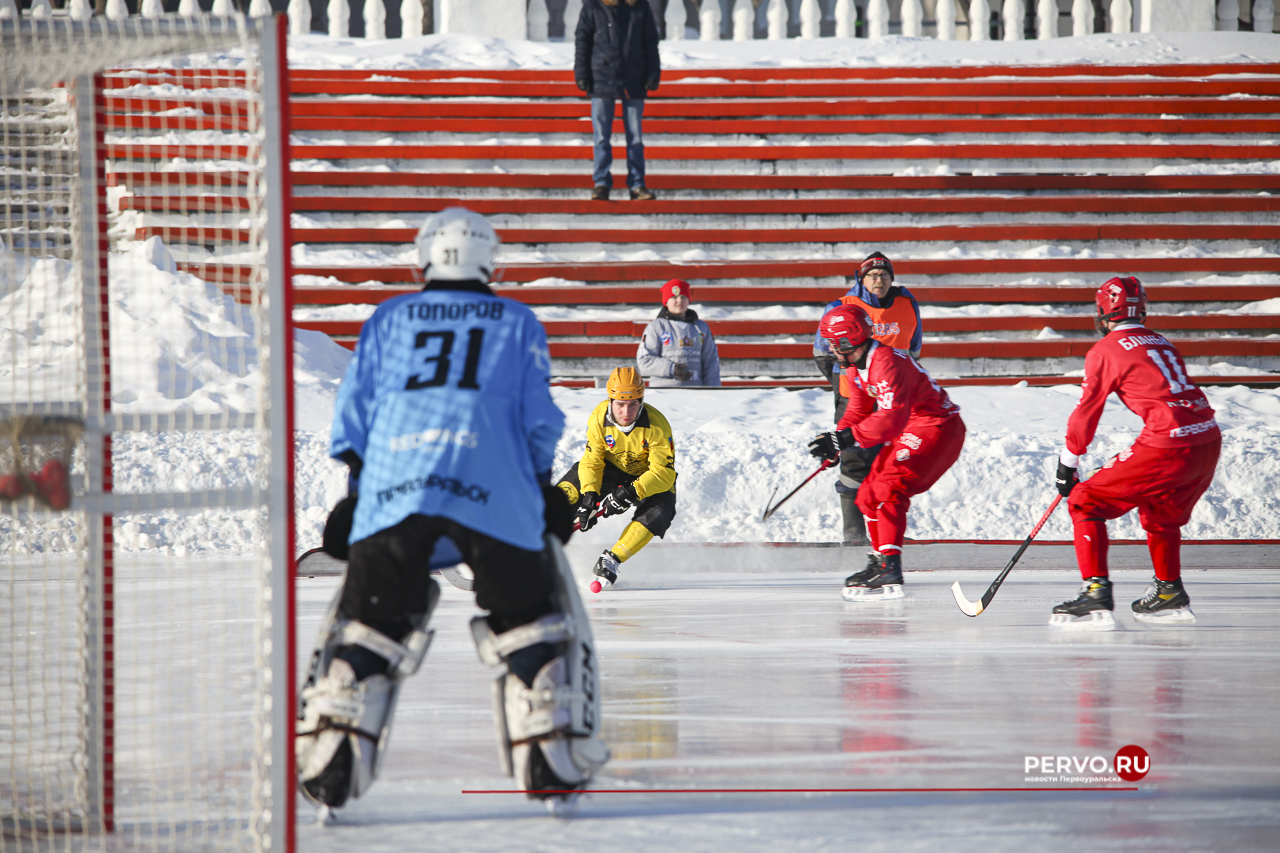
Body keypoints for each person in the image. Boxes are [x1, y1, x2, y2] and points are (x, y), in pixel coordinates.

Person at [296, 207, 609, 815]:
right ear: (489, 260)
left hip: (398, 492)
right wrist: (539, 493)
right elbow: (538, 421)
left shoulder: (389, 318)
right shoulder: (517, 321)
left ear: (424, 258)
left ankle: (337, 736)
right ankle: (548, 741)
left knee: (372, 621)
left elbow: (355, 417)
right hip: (493, 493)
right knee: (529, 620)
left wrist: (359, 498)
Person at [1050, 276, 1220, 630]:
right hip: (1205, 440)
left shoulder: (1105, 350)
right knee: (1161, 512)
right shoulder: (1161, 342)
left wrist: (1068, 463)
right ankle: (1168, 591)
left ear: (1102, 311)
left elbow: (1087, 412)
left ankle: (1095, 592)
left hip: (1168, 442)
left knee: (1084, 500)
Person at [807, 305, 965, 602]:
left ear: (848, 340)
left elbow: (891, 417)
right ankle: (880, 559)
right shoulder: (855, 366)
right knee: (867, 494)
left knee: (888, 487)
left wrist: (845, 438)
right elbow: (858, 410)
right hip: (912, 426)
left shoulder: (885, 361)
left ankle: (890, 567)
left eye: (834, 343)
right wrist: (837, 442)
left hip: (937, 426)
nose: (831, 349)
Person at [812, 252, 923, 546]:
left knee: (892, 461)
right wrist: (845, 383)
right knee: (854, 460)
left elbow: (914, 349)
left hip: (894, 393)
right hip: (855, 391)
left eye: (884, 274)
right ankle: (854, 534)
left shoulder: (907, 304)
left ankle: (887, 533)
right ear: (861, 279)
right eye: (872, 275)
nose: (879, 280)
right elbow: (823, 354)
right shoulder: (840, 306)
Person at [556, 366, 677, 588]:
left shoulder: (657, 426)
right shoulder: (598, 418)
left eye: (633, 404)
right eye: (620, 404)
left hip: (648, 477)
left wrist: (630, 493)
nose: (626, 412)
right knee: (567, 493)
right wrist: (589, 497)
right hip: (610, 469)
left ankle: (612, 559)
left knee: (661, 511)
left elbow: (664, 473)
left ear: (641, 401)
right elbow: (592, 461)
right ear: (610, 401)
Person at [574, 0, 661, 201]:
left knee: (635, 137)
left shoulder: (639, 5)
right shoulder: (593, 6)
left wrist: (653, 74)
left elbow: (650, 40)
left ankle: (637, 185)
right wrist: (582, 74)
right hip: (601, 77)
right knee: (601, 136)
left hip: (634, 77)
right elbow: (583, 40)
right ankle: (601, 183)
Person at [637, 278, 721, 387]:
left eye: (683, 297)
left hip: (696, 391)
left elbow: (711, 363)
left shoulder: (701, 327)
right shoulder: (656, 327)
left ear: (689, 300)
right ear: (666, 302)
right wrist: (671, 369)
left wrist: (713, 390)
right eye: (674, 297)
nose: (679, 301)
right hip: (664, 390)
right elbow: (644, 361)